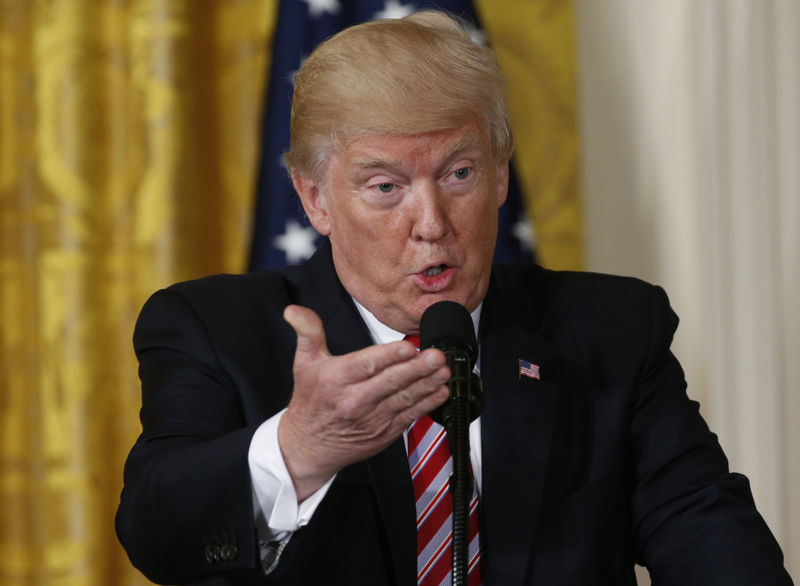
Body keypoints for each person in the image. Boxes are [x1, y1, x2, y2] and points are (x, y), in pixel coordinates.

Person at [115, 10, 793, 586]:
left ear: (501, 175)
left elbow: (711, 538)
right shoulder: (214, 329)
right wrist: (300, 449)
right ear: (315, 199)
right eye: (385, 187)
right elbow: (157, 532)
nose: (433, 222)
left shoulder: (612, 331)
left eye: (459, 173)